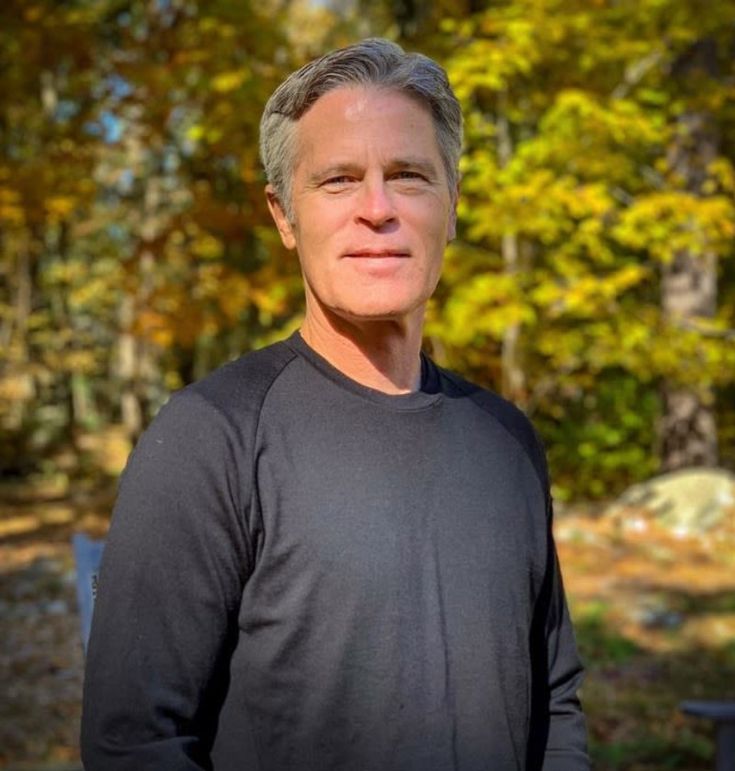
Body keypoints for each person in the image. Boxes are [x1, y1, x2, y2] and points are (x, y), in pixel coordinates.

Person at [81, 38, 589, 771]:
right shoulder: (212, 437)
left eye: (408, 176)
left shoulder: (506, 442)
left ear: (451, 208)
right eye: (338, 180)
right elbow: (134, 743)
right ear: (285, 217)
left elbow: (555, 704)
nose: (376, 209)